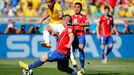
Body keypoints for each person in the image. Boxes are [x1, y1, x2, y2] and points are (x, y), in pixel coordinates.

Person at [71, 2, 89, 74]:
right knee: (72, 53)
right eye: (75, 7)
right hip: (73, 37)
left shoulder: (84, 16)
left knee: (81, 49)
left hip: (81, 36)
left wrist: (78, 24)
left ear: (81, 9)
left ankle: (82, 68)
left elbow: (87, 24)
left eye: (78, 7)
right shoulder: (71, 17)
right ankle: (74, 67)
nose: (76, 8)